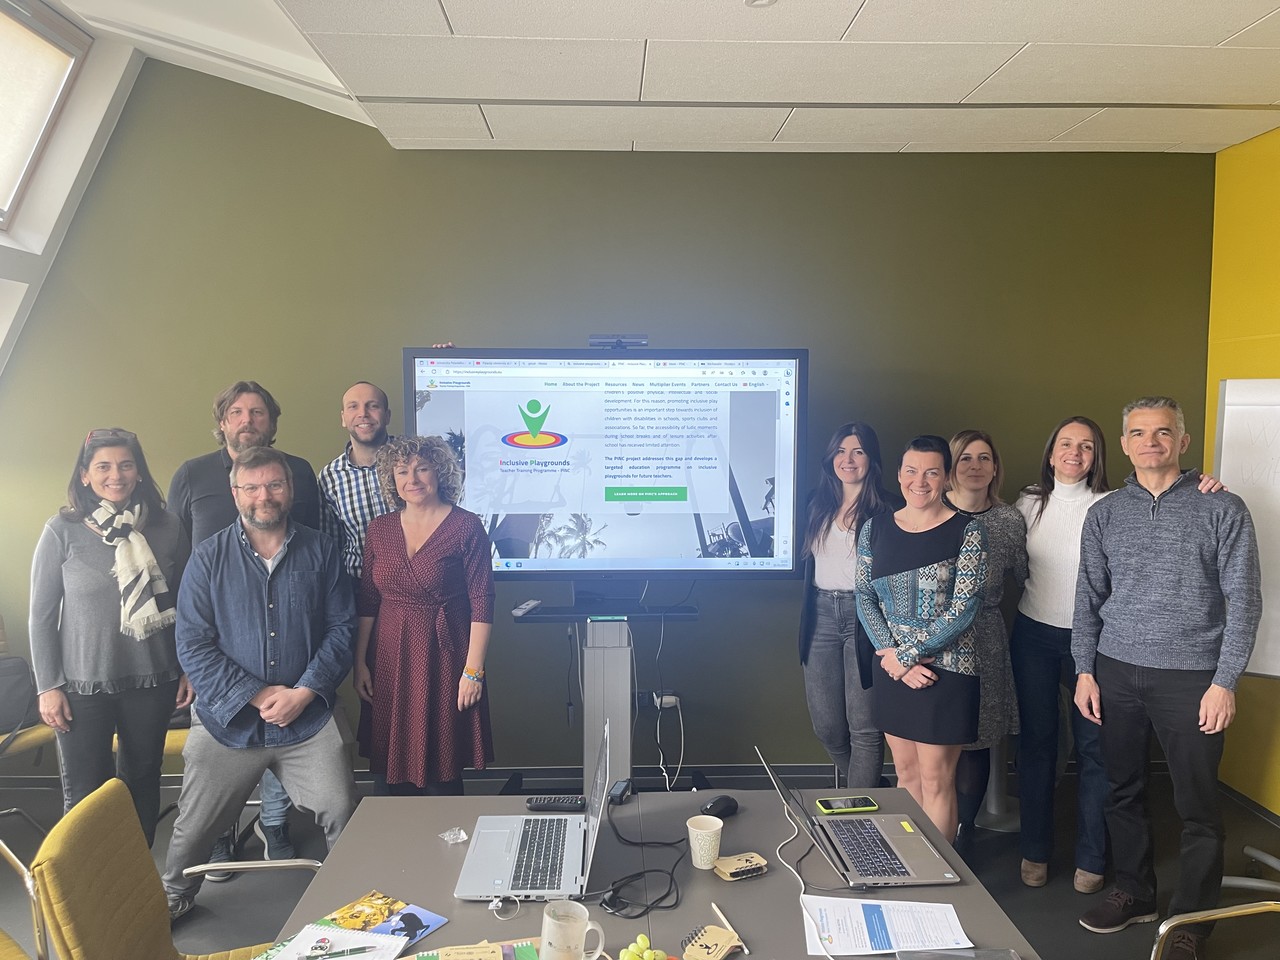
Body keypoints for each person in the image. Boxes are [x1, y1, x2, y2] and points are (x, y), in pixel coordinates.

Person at [1073, 397, 1261, 960]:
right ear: (1124, 444)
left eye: (1162, 432)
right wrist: (1084, 670)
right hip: (1116, 672)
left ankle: (1191, 922)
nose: (1149, 442)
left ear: (1182, 441)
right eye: (1138, 433)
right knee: (1122, 789)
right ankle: (1135, 892)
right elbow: (1088, 598)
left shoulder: (1221, 507)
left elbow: (1244, 601)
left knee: (1198, 805)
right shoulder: (1105, 513)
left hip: (1193, 679)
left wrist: (1225, 681)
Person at [1013, 417, 1226, 894]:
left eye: (1086, 446)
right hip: (1034, 637)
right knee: (1037, 746)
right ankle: (1035, 850)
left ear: (1101, 455)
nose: (1074, 453)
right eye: (1065, 444)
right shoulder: (1026, 504)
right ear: (1050, 452)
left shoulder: (1114, 504)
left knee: (1096, 751)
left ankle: (1092, 858)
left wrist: (1205, 483)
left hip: (1097, 642)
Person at [162, 446, 357, 921]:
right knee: (193, 829)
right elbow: (192, 643)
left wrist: (304, 692)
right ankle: (172, 895)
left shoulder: (321, 550)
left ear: (289, 490)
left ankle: (354, 898)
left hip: (307, 719)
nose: (263, 496)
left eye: (273, 485)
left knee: (342, 809)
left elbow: (342, 629)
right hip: (228, 722)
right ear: (235, 494)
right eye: (251, 487)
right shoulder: (208, 558)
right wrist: (256, 694)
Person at [167, 380, 321, 863]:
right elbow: (174, 559)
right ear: (222, 423)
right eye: (237, 412)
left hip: (288, 629)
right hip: (217, 640)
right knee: (222, 749)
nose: (248, 421)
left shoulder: (299, 470)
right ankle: (219, 833)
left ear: (272, 423)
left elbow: (311, 545)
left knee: (283, 725)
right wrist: (187, 661)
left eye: (258, 412)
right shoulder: (192, 475)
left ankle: (273, 822)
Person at [29, 428, 192, 846]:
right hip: (81, 685)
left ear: (139, 472)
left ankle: (134, 875)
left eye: (125, 465)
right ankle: (87, 882)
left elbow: (187, 604)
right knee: (86, 792)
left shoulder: (167, 527)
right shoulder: (61, 530)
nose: (115, 475)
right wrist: (48, 686)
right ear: (85, 475)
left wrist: (187, 669)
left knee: (142, 780)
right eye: (103, 466)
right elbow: (41, 616)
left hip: (153, 679)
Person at [856, 435, 988, 839]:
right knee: (906, 775)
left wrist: (908, 655)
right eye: (911, 471)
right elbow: (863, 595)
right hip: (892, 669)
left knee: (935, 780)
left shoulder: (969, 531)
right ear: (899, 475)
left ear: (946, 478)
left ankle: (940, 871)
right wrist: (893, 657)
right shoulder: (874, 529)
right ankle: (910, 864)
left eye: (931, 472)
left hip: (945, 672)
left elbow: (965, 606)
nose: (920, 481)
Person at [354, 435, 495, 795]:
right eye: (402, 471)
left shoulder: (466, 526)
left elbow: (482, 600)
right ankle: (397, 829)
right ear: (392, 478)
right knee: (390, 765)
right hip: (388, 659)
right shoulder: (379, 529)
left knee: (441, 766)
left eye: (422, 469)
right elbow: (368, 601)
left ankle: (448, 829)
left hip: (444, 657)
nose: (412, 479)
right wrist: (360, 663)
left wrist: (473, 672)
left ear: (440, 473)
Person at [797, 421, 896, 788]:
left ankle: (857, 810)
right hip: (820, 614)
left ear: (871, 458)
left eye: (858, 451)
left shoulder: (889, 508)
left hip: (867, 616)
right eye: (840, 451)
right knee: (827, 728)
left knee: (865, 728)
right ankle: (873, 789)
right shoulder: (814, 503)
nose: (848, 459)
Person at [942, 430, 1027, 847]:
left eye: (984, 458)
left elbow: (1029, 579)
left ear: (995, 468)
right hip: (932, 641)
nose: (975, 466)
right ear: (950, 466)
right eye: (965, 458)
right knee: (937, 737)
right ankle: (932, 828)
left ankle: (964, 831)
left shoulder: (1010, 520)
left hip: (985, 638)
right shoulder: (930, 510)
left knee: (977, 738)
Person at [318, 381, 396, 582]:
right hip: (357, 587)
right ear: (343, 418)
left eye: (373, 406)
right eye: (353, 407)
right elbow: (332, 546)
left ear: (387, 415)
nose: (363, 414)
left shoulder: (413, 461)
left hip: (416, 589)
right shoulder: (330, 477)